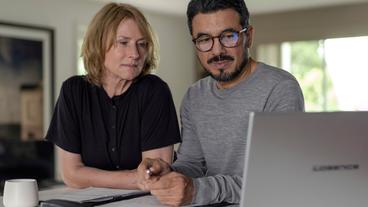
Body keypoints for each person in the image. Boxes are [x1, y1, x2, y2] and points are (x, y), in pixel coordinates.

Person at [137, 0, 305, 206]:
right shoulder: (194, 96)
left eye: (228, 36)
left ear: (248, 36)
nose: (217, 51)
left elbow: (276, 181)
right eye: (204, 39)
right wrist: (169, 172)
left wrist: (199, 190)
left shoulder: (280, 88)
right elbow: (192, 164)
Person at [45, 3, 181, 189]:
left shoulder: (154, 91)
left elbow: (156, 176)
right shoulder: (73, 91)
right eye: (123, 43)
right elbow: (70, 174)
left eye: (141, 44)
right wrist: (135, 178)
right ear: (99, 44)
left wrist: (89, 176)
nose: (135, 54)